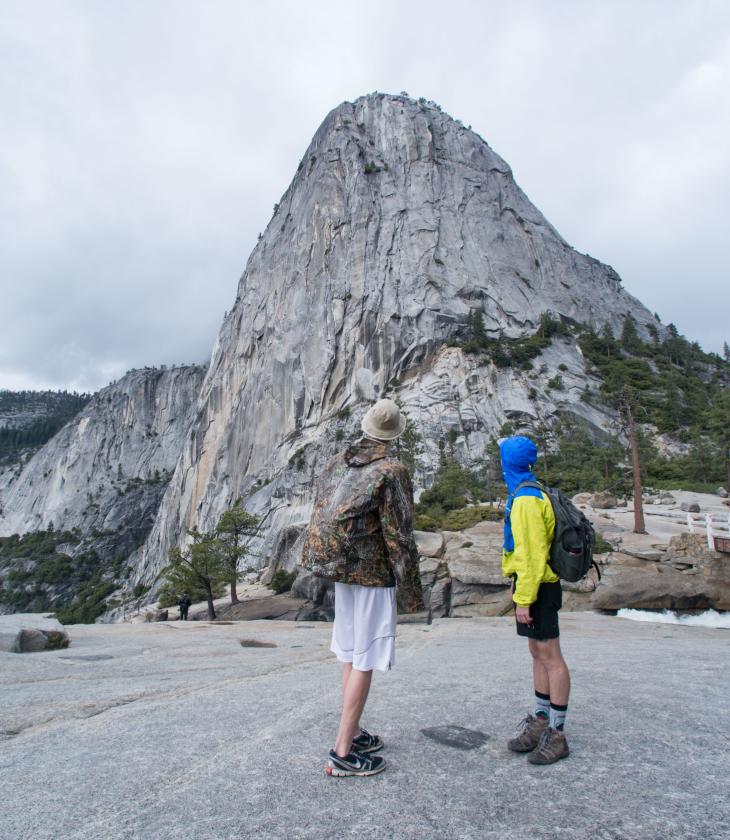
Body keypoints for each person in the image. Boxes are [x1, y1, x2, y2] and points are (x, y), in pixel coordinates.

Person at [301, 398, 424, 777]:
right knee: (366, 657)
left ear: (365, 427)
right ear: (394, 434)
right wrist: (412, 593)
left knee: (352, 654)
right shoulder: (392, 470)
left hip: (340, 569)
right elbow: (399, 535)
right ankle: (342, 752)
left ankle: (351, 732)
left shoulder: (338, 462)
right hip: (371, 575)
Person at [500, 435, 571, 765]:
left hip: (538, 587)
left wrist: (524, 600)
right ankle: (541, 720)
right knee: (537, 652)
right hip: (533, 586)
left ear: (510, 463)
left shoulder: (526, 499)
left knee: (550, 655)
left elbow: (531, 556)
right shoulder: (527, 490)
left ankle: (557, 734)